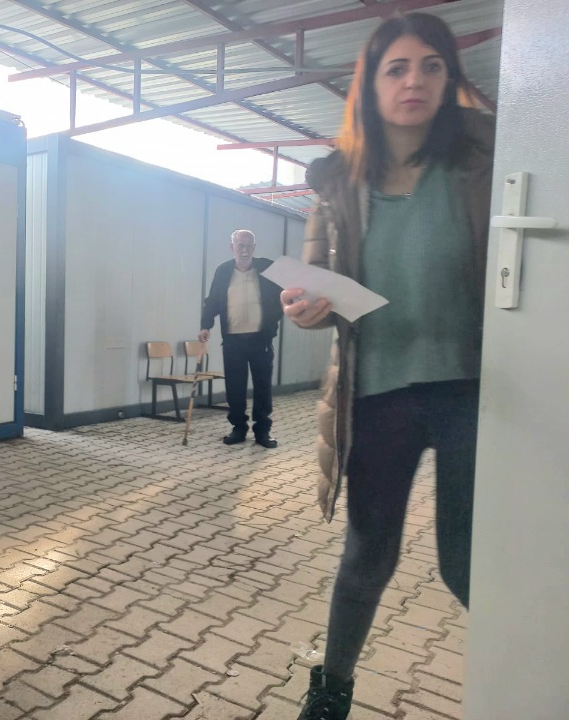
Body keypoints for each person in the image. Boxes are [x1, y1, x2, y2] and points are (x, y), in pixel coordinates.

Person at [280, 13, 494, 720]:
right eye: (396, 68)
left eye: (432, 66)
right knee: (368, 555)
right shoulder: (338, 184)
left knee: (466, 562)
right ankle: (331, 692)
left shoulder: (481, 164)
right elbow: (317, 286)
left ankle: (534, 673)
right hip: (377, 393)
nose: (415, 81)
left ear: (450, 79)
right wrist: (306, 307)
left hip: (472, 393)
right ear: (369, 86)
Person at [199, 229, 283, 448]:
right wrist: (206, 325)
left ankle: (262, 432)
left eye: (248, 246)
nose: (244, 250)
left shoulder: (266, 268)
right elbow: (212, 301)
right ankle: (238, 428)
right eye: (240, 246)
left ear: (254, 248)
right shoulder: (223, 271)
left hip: (261, 340)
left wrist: (272, 322)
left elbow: (283, 297)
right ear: (232, 248)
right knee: (235, 387)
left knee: (263, 388)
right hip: (233, 341)